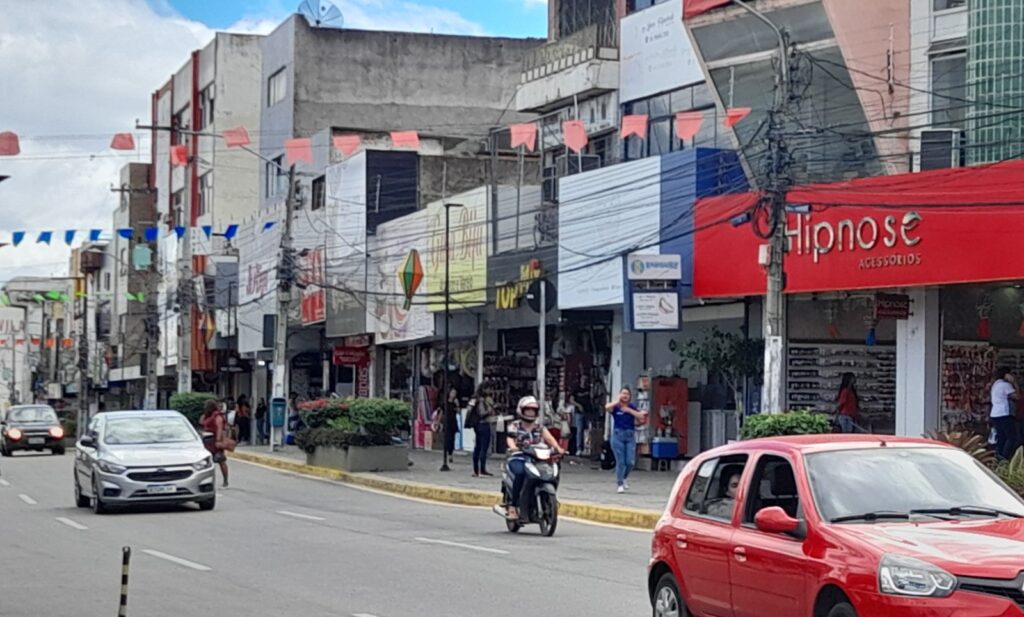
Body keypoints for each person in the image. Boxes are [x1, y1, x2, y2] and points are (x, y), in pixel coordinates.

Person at [505, 395, 564, 520]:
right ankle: (513, 506)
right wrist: (514, 447)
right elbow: (510, 438)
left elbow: (549, 439)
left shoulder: (539, 427)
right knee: (520, 474)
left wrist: (558, 448)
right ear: (522, 410)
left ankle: (548, 500)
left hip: (537, 458)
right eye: (528, 410)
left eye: (533, 410)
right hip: (519, 457)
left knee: (553, 470)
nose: (531, 413)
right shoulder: (514, 426)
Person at [605, 386, 647, 493]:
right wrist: (617, 401)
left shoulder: (632, 406)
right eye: (623, 393)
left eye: (627, 394)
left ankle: (623, 477)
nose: (625, 396)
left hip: (630, 435)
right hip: (617, 435)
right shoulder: (616, 407)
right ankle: (619, 483)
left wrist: (628, 410)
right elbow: (607, 407)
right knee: (621, 461)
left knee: (630, 462)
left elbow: (641, 416)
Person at [199, 399, 231, 488]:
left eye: (206, 406)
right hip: (206, 440)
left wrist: (218, 440)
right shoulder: (207, 416)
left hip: (214, 439)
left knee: (221, 460)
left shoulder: (217, 415)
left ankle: (225, 481)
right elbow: (201, 422)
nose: (205, 408)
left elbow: (220, 428)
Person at [467, 384, 495, 477]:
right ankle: (481, 470)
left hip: (476, 425)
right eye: (488, 389)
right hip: (483, 424)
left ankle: (476, 470)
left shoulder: (474, 398)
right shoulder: (482, 400)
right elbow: (482, 413)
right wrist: (490, 410)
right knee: (483, 447)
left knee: (478, 447)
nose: (490, 391)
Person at [991, 368, 1019, 461]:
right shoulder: (1005, 385)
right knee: (1011, 437)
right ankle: (1004, 457)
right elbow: (1017, 396)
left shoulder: (996, 384)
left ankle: (999, 456)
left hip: (995, 413)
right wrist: (1014, 382)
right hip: (1003, 413)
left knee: (1001, 437)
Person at [439, 386, 461, 472]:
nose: (453, 394)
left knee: (453, 438)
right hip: (447, 422)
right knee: (447, 438)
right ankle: (446, 453)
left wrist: (457, 405)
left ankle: (451, 454)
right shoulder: (445, 403)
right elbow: (441, 412)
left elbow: (459, 412)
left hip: (453, 421)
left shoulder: (455, 402)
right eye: (452, 393)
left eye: (455, 393)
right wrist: (438, 421)